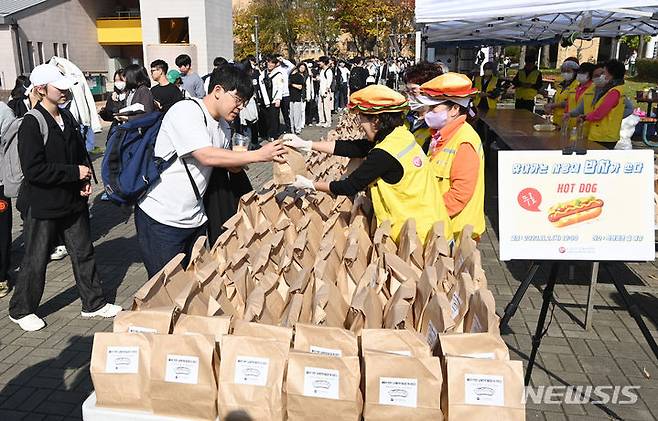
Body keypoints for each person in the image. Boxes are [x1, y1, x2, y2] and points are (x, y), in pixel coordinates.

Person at [135, 65, 287, 278]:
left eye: (245, 102)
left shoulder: (224, 126)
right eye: (238, 99)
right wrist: (259, 154)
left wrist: (237, 163)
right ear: (217, 90)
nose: (241, 107)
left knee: (189, 288)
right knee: (165, 292)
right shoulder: (186, 111)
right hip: (163, 219)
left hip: (195, 218)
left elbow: (220, 163)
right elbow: (206, 155)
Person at [9, 64, 121, 331]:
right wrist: (75, 173)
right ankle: (21, 309)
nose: (64, 91)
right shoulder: (31, 123)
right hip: (44, 203)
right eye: (58, 87)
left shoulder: (66, 116)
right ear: (40, 89)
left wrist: (84, 180)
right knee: (36, 259)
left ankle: (93, 303)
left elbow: (79, 153)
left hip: (72, 200)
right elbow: (34, 170)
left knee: (83, 252)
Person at [284, 85, 453, 245]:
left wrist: (310, 184)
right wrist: (307, 144)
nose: (360, 125)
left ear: (377, 120)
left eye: (362, 119)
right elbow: (356, 148)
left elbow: (349, 186)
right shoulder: (401, 135)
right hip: (433, 224)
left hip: (419, 235)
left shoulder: (385, 153)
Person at [418, 72, 485, 241]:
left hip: (456, 233)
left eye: (434, 108)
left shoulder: (464, 141)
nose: (428, 113)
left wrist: (426, 214)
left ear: (455, 109)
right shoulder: (440, 136)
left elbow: (459, 194)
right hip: (444, 227)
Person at [571, 60, 628, 148]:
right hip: (604, 134)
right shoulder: (613, 89)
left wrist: (585, 117)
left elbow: (600, 113)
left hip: (603, 135)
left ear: (611, 74)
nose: (603, 75)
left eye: (604, 72)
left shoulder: (614, 91)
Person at [402, 61, 444, 152]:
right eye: (407, 91)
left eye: (413, 91)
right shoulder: (403, 116)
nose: (409, 96)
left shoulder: (440, 122)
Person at [0, 101, 15, 298]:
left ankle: (2, 276)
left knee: (1, 230)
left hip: (0, 181)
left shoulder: (3, 111)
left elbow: (13, 143)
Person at [545, 58, 579, 127]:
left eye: (568, 71)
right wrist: (549, 105)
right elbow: (556, 98)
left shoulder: (577, 85)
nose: (565, 73)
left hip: (569, 121)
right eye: (563, 71)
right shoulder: (561, 84)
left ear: (575, 72)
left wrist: (553, 105)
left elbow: (570, 102)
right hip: (557, 120)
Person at [98, 69, 127, 139]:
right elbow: (110, 116)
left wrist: (117, 102)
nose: (118, 83)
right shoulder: (112, 96)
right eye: (116, 80)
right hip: (116, 130)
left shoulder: (131, 95)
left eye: (121, 80)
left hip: (128, 129)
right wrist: (103, 112)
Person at [289, 62, 308, 135]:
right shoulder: (290, 76)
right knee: (291, 114)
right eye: (301, 67)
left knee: (297, 113)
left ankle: (297, 128)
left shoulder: (300, 77)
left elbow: (300, 87)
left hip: (297, 97)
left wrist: (292, 84)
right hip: (290, 97)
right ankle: (292, 128)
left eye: (303, 68)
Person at [318, 56, 334, 128]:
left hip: (326, 92)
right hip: (321, 91)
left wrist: (326, 91)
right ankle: (322, 120)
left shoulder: (328, 71)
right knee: (320, 107)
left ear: (324, 62)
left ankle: (328, 122)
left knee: (326, 107)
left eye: (320, 61)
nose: (319, 63)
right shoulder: (322, 71)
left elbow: (329, 82)